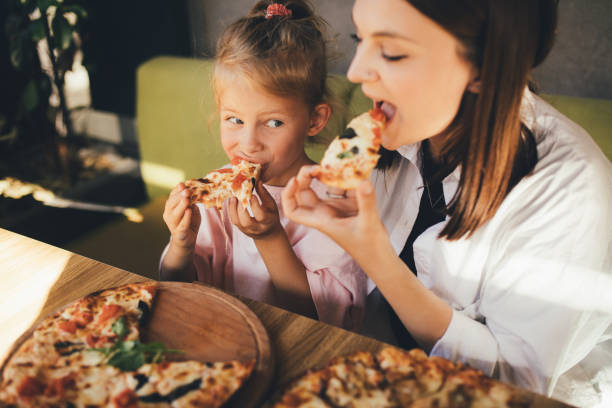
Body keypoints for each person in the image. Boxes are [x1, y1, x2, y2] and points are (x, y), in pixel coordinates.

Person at [281, 0, 612, 406]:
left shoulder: (567, 185)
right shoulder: (393, 137)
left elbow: (513, 387)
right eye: (360, 39)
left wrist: (377, 260)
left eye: (392, 52)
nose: (355, 72)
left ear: (483, 67)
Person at [159, 0, 367, 331]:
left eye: (273, 123)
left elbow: (324, 319)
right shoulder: (216, 194)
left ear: (314, 120)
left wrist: (270, 237)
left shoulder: (335, 203)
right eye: (235, 119)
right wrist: (181, 244)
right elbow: (175, 286)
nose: (249, 142)